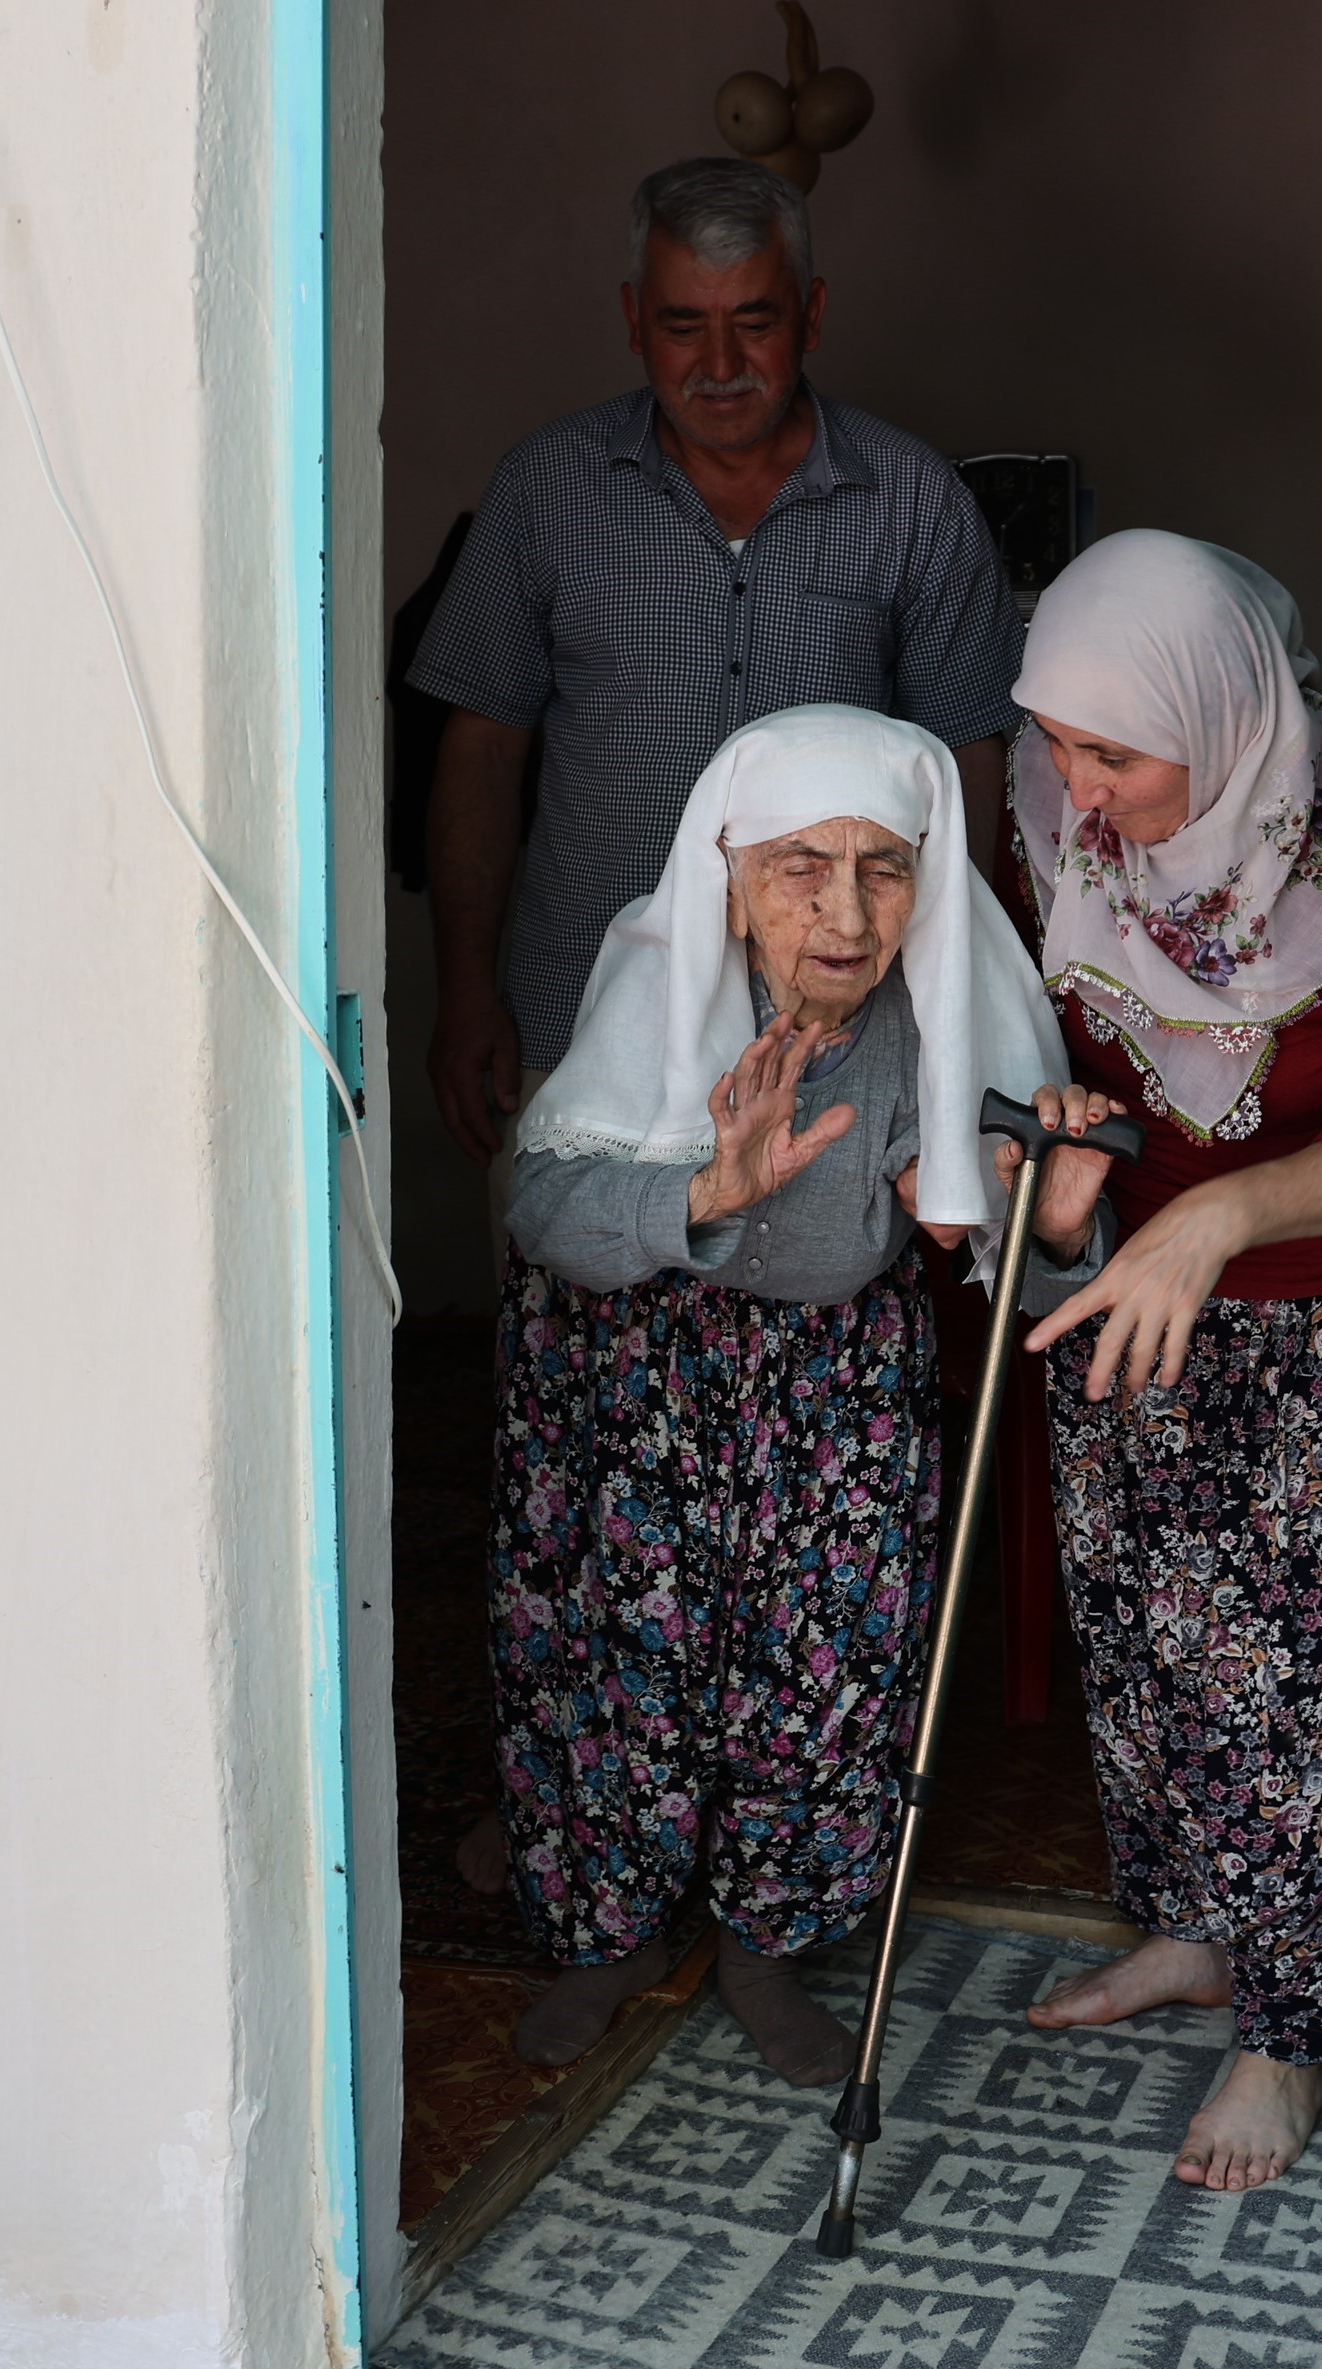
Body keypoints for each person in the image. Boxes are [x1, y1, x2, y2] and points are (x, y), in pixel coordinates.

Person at [407, 155, 1022, 1897]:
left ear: (812, 315)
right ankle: (584, 1827)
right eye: (683, 324)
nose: (721, 358)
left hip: (841, 1073)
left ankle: (776, 1867)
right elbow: (481, 750)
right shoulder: (547, 495)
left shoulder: (910, 504)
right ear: (634, 322)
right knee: (594, 1490)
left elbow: (970, 792)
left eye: (756, 321)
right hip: (592, 1034)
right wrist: (463, 984)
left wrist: (986, 1048)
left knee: (814, 1495)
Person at [995, 531, 1322, 2193]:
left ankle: (1292, 2034)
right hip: (1159, 1283)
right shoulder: (1051, 808)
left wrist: (1218, 1214)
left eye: (1114, 753)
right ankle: (1205, 1933)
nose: (1077, 790)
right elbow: (1052, 1041)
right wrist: (1058, 1150)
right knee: (1158, 1640)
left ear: (1221, 719)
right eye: (1060, 743)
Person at [493, 706, 1097, 2080]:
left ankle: (769, 1946)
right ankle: (611, 1935)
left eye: (883, 865)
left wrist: (1051, 1231)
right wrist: (704, 1189)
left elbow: (1034, 1291)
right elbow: (542, 1204)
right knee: (616, 1673)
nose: (844, 907)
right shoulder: (661, 975)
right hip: (635, 1373)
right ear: (731, 874)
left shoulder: (942, 1014)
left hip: (834, 1383)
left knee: (825, 1676)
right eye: (799, 866)